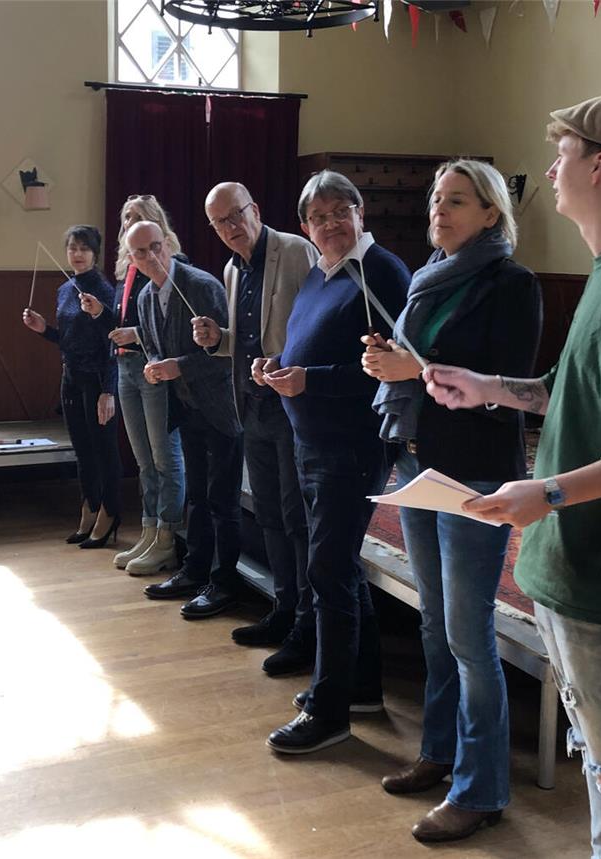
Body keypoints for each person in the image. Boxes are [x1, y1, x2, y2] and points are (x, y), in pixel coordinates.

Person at [425, 93, 601, 859]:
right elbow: (563, 387)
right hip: (570, 563)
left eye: (562, 155)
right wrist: (486, 387)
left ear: (600, 164)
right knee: (600, 761)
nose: (549, 170)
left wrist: (544, 492)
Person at [362, 160, 542, 843]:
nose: (441, 209)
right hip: (418, 458)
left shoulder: (511, 282)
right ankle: (440, 753)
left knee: (469, 637)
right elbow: (416, 357)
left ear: (491, 213)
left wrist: (418, 369)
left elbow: (514, 387)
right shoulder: (425, 279)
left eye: (458, 200)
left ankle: (482, 788)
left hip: (475, 474)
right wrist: (387, 363)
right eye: (437, 199)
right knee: (435, 627)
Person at [263, 171, 410, 753]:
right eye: (318, 217)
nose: (329, 223)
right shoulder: (322, 276)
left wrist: (310, 381)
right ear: (306, 228)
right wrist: (276, 365)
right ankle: (361, 688)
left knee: (327, 571)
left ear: (360, 210)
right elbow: (311, 349)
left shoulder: (381, 273)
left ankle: (330, 714)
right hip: (312, 439)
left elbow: (393, 371)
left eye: (338, 210)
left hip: (351, 446)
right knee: (340, 568)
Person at [192, 182, 318, 666]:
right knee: (267, 514)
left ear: (256, 209)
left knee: (295, 516)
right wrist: (214, 338)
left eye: (236, 215)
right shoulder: (230, 267)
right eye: (219, 222)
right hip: (252, 407)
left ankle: (307, 624)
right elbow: (244, 340)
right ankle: (283, 609)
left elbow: (316, 325)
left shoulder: (294, 250)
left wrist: (285, 362)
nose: (230, 227)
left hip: (290, 407)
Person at [126, 220, 244, 619]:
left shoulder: (200, 285)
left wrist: (178, 367)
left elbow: (225, 355)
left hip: (222, 408)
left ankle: (225, 582)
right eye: (140, 252)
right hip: (187, 408)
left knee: (223, 500)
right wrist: (155, 369)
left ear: (169, 244)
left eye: (156, 247)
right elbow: (157, 352)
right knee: (197, 495)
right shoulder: (144, 298)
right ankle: (195, 571)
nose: (151, 257)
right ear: (132, 259)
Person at [95, 196, 185, 575]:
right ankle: (148, 532)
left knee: (166, 459)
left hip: (154, 369)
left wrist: (136, 333)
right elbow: (127, 318)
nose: (129, 222)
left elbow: (175, 326)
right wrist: (106, 318)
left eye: (137, 217)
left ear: (156, 224)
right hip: (127, 368)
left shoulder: (174, 266)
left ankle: (168, 538)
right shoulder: (126, 268)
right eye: (125, 217)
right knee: (144, 461)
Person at [22, 225, 121, 548]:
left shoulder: (104, 290)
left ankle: (110, 511)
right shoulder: (65, 289)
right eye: (72, 248)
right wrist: (43, 330)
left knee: (103, 449)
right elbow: (67, 340)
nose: (77, 255)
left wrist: (109, 390)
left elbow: (113, 341)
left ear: (95, 253)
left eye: (84, 249)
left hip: (97, 379)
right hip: (71, 378)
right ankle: (90, 505)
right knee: (82, 449)